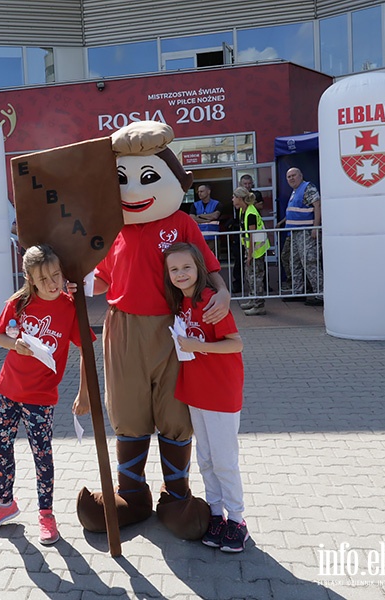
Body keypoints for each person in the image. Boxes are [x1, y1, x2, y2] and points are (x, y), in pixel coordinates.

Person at [76, 121, 230, 541]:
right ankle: (131, 495)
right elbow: (104, 279)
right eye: (122, 179)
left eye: (145, 177)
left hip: (174, 328)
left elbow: (209, 269)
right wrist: (79, 279)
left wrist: (225, 296)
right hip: (122, 329)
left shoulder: (181, 222)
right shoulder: (115, 231)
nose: (132, 189)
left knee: (174, 409)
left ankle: (176, 495)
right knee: (127, 408)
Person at [0, 244, 91, 546]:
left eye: (56, 275)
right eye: (44, 279)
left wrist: (85, 393)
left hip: (41, 396)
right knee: (0, 445)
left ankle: (46, 514)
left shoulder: (69, 306)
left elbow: (88, 351)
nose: (53, 283)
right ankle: (4, 503)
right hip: (8, 389)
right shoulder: (18, 303)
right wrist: (15, 346)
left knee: (42, 454)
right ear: (29, 278)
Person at [163, 242, 248, 552]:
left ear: (199, 268)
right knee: (206, 459)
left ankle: (237, 520)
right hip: (196, 394)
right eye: (174, 269)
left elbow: (235, 344)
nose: (181, 273)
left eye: (186, 267)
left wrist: (199, 347)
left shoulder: (211, 302)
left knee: (225, 461)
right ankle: (216, 515)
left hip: (220, 394)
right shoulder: (182, 304)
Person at [283, 167, 323, 306]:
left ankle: (320, 293)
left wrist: (315, 227)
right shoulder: (295, 192)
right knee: (294, 262)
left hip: (306, 232)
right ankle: (298, 292)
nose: (291, 178)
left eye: (294, 175)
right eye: (289, 177)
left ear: (301, 176)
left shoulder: (308, 187)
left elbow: (317, 206)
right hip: (294, 232)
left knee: (309, 261)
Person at [232, 187, 270, 316]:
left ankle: (259, 305)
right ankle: (253, 300)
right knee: (250, 276)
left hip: (256, 251)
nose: (232, 200)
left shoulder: (251, 213)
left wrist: (249, 255)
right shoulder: (243, 211)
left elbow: (252, 235)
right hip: (250, 249)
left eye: (234, 197)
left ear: (240, 198)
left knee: (256, 278)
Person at [189, 184, 221, 255]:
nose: (199, 193)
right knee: (201, 257)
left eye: (202, 191)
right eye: (198, 192)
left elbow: (215, 216)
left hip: (213, 236)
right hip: (200, 236)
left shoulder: (217, 204)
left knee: (213, 257)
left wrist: (200, 216)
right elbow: (192, 218)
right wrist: (206, 220)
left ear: (208, 192)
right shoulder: (195, 205)